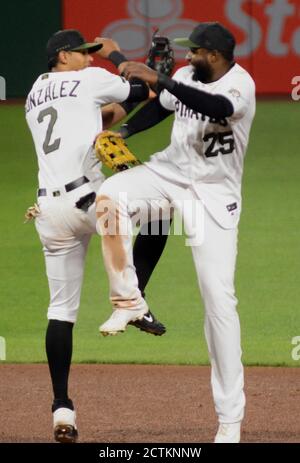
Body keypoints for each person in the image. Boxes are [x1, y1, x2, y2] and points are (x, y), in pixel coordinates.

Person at [96, 22, 256, 443]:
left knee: (219, 300)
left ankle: (230, 418)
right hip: (167, 175)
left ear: (216, 57)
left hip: (212, 197)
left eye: (196, 52)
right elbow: (163, 105)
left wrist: (158, 76)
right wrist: (124, 130)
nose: (189, 57)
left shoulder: (240, 86)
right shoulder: (185, 75)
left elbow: (217, 107)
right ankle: (130, 298)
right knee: (110, 197)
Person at [25, 29, 166, 443]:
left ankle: (61, 409)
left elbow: (100, 120)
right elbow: (144, 88)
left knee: (60, 311)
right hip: (89, 199)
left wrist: (134, 90)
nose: (89, 59)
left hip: (48, 213)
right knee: (163, 210)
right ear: (63, 56)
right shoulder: (87, 80)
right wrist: (122, 55)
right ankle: (133, 299)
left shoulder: (34, 92)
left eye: (91, 54)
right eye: (83, 54)